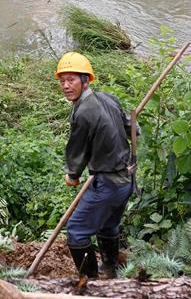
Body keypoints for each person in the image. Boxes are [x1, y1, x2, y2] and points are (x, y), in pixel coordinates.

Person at [56, 51, 136, 279]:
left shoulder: (83, 112)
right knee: (107, 226)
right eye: (62, 81)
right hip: (126, 181)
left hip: (108, 184)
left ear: (85, 80)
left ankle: (90, 282)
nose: (65, 86)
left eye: (71, 80)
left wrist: (72, 175)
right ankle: (110, 271)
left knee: (77, 231)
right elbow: (134, 128)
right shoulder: (109, 98)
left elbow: (77, 149)